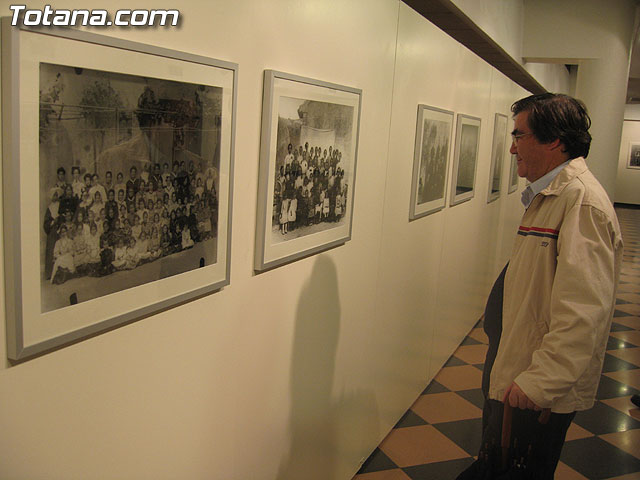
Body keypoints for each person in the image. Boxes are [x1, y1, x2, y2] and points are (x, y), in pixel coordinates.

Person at [459, 94, 623, 480]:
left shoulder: (582, 204)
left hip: (533, 388)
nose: (513, 147)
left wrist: (540, 382)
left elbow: (584, 313)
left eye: (520, 135)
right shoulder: (552, 196)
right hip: (518, 370)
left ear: (554, 140)